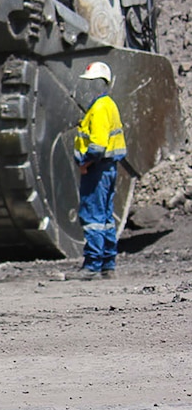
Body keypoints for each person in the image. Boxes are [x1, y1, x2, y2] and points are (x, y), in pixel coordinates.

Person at [69, 61, 126, 280]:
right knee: (105, 217)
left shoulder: (100, 107)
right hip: (107, 168)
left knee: (92, 215)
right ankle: (107, 264)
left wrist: (85, 163)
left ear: (100, 83)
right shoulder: (108, 105)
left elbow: (97, 145)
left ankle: (92, 264)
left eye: (91, 82)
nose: (87, 87)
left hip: (97, 169)